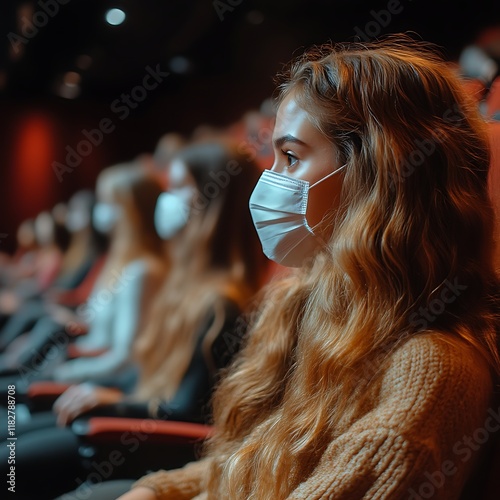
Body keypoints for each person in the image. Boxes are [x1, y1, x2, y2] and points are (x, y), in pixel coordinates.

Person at [111, 36, 499, 499]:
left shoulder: (432, 367)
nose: (269, 179)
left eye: (291, 157)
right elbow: (240, 467)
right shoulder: (303, 302)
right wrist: (155, 492)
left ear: (377, 174)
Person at [0, 140, 267, 500]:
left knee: (8, 463)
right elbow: (146, 369)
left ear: (212, 200)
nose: (165, 199)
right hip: (130, 413)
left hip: (144, 444)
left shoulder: (222, 303)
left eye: (177, 187)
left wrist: (115, 401)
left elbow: (189, 408)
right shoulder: (182, 284)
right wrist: (108, 391)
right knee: (9, 438)